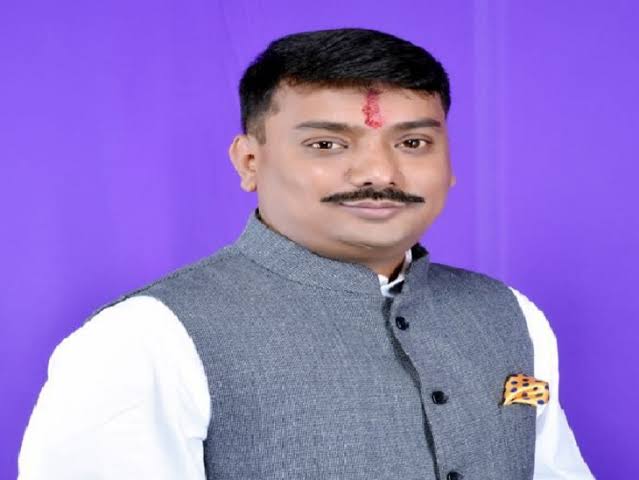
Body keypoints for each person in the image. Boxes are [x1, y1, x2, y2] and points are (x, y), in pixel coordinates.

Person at [18, 28, 594, 479]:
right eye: (327, 144)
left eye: (413, 142)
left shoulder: (509, 314)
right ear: (249, 162)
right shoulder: (145, 338)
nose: (379, 173)